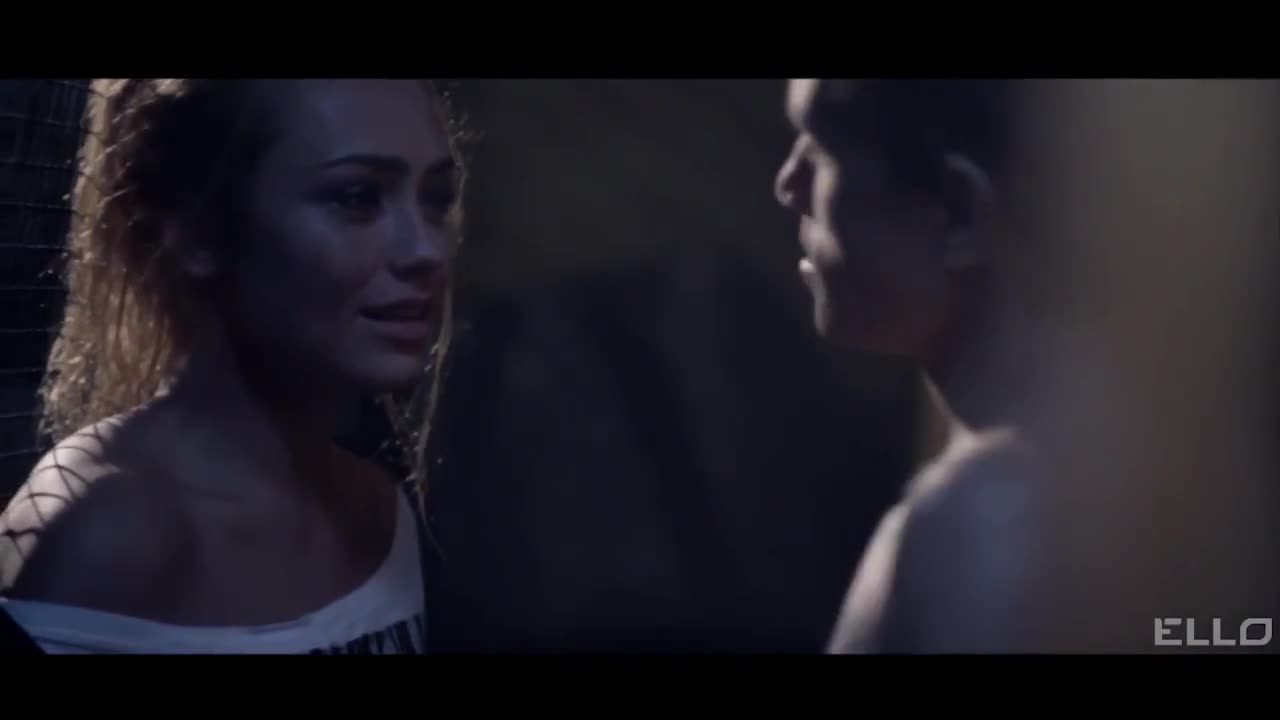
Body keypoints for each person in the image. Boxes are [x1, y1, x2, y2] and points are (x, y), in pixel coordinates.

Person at [0, 79, 460, 654]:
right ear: (196, 232)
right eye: (357, 197)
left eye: (435, 199)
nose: (426, 251)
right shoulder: (107, 537)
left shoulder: (381, 512)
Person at [773, 79, 1050, 653]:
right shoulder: (1192, 472)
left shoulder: (961, 531)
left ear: (957, 209)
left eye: (822, 147)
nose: (788, 184)